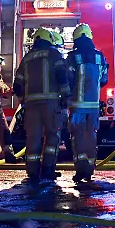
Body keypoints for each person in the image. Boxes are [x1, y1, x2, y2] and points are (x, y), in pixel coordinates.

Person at [13, 27, 70, 185]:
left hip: (31, 105)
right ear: (49, 40)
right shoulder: (54, 54)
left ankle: (33, 172)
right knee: (53, 136)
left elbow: (17, 84)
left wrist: (23, 99)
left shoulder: (27, 58)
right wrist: (66, 95)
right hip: (51, 104)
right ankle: (48, 169)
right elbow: (62, 76)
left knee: (33, 138)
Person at [65, 23, 109, 183]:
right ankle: (89, 170)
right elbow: (104, 80)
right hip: (93, 107)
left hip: (77, 106)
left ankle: (80, 170)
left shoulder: (72, 57)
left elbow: (67, 79)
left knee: (77, 138)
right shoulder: (100, 57)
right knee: (91, 136)